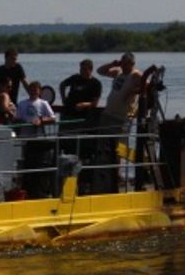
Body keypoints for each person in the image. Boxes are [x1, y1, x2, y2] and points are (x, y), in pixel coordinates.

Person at [97, 52, 144, 188]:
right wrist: (113, 64)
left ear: (131, 63)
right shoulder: (118, 72)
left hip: (122, 117)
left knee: (119, 147)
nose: (123, 65)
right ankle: (106, 173)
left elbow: (148, 85)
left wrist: (133, 92)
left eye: (125, 63)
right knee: (104, 144)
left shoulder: (135, 75)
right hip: (108, 113)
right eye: (121, 63)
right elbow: (100, 71)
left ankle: (118, 174)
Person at [58, 58, 102, 124]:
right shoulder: (75, 78)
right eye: (81, 69)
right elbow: (62, 85)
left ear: (91, 70)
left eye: (84, 69)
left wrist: (84, 104)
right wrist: (63, 98)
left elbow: (94, 103)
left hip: (83, 115)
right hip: (68, 111)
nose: (81, 71)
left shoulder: (96, 83)